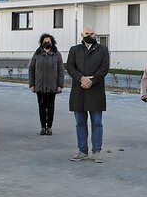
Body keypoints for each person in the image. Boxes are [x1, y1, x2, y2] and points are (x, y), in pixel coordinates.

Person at [67, 26, 109, 163]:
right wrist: (81, 78)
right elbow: (70, 67)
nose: (89, 35)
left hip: (95, 90)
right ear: (82, 34)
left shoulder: (102, 50)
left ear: (95, 34)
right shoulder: (74, 50)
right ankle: (82, 151)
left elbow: (104, 68)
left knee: (97, 122)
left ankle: (97, 151)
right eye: (86, 33)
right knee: (80, 122)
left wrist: (92, 81)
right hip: (79, 90)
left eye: (91, 33)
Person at [29, 33, 64, 136]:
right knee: (41, 107)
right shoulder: (37, 54)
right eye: (44, 41)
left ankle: (49, 127)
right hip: (39, 86)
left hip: (52, 86)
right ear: (41, 43)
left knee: (51, 107)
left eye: (48, 41)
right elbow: (31, 69)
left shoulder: (57, 54)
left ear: (52, 42)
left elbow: (61, 71)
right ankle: (43, 127)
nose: (46, 43)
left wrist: (60, 85)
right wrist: (32, 84)